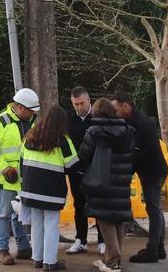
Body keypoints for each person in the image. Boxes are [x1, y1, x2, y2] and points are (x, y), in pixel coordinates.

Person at [77, 98, 137, 272]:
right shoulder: (127, 131)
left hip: (101, 180)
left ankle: (113, 260)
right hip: (122, 180)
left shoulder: (94, 132)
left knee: (104, 219)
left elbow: (84, 155)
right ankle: (115, 259)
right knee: (118, 218)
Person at [0, 88, 38, 265]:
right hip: (5, 178)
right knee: (4, 214)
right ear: (21, 108)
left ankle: (23, 247)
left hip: (22, 177)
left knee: (19, 213)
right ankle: (2, 250)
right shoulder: (0, 122)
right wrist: (4, 167)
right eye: (31, 111)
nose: (33, 114)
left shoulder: (29, 121)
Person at [111, 92, 168, 263]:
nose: (115, 113)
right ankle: (158, 247)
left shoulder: (144, 123)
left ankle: (153, 250)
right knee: (155, 208)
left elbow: (150, 150)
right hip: (148, 170)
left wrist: (130, 163)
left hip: (153, 171)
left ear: (126, 106)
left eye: (116, 109)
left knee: (153, 208)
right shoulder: (129, 121)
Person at [20, 106, 79, 271]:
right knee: (51, 225)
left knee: (36, 224)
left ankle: (37, 259)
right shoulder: (63, 140)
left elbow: (21, 161)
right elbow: (73, 165)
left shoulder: (30, 136)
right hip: (52, 191)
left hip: (30, 189)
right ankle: (50, 262)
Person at [65, 86, 105, 256]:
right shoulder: (68, 119)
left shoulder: (98, 117)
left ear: (89, 100)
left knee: (98, 204)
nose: (79, 107)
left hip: (96, 168)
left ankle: (103, 240)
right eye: (75, 104)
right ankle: (81, 240)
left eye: (82, 103)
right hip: (75, 169)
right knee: (79, 204)